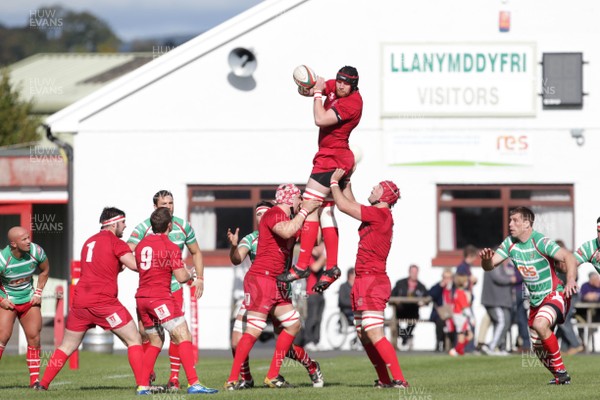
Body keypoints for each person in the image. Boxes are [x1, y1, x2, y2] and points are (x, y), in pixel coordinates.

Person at [37, 207, 147, 393]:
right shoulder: (115, 241)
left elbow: (106, 266)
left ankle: (43, 384)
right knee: (134, 340)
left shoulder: (89, 242)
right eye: (123, 222)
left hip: (80, 302)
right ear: (113, 224)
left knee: (66, 345)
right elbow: (135, 266)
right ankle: (143, 385)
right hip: (104, 304)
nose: (125, 225)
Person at [225, 184, 320, 390]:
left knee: (293, 324)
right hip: (262, 279)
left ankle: (274, 375)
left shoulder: (289, 219)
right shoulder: (275, 214)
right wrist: (305, 210)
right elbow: (287, 233)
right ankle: (235, 379)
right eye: (298, 198)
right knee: (253, 331)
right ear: (290, 199)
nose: (299, 202)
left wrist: (314, 211)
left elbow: (316, 238)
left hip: (276, 282)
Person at [278, 66, 363, 293]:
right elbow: (312, 90)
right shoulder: (337, 86)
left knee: (309, 205)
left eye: (346, 84)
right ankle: (332, 266)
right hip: (329, 156)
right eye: (340, 81)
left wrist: (316, 94)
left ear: (354, 85)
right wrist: (309, 85)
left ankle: (302, 265)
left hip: (333, 158)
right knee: (325, 211)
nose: (341, 86)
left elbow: (320, 118)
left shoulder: (353, 103)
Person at [328, 168, 408, 388]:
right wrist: (347, 181)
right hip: (363, 280)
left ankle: (400, 380)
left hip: (373, 280)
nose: (373, 188)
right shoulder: (377, 213)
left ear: (384, 196)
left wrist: (334, 183)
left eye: (377, 187)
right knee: (364, 335)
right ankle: (384, 380)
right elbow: (352, 203)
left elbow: (344, 206)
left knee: (373, 331)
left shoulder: (380, 214)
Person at [480, 206, 578, 385]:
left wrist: (571, 280)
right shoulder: (510, 243)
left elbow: (568, 257)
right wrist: (486, 259)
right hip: (535, 303)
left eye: (515, 220)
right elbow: (490, 266)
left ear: (527, 223)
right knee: (538, 349)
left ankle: (562, 372)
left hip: (554, 294)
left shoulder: (540, 241)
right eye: (510, 220)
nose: (510, 224)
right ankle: (560, 377)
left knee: (541, 324)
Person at [128, 190, 205, 390]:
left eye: (171, 203)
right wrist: (191, 275)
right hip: (159, 294)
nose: (169, 207)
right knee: (179, 334)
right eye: (164, 204)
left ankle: (165, 380)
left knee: (161, 338)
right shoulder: (157, 237)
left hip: (151, 293)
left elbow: (196, 251)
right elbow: (181, 275)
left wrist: (200, 279)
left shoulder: (179, 227)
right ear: (155, 208)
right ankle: (194, 383)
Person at [0, 226, 50, 388]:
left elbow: (45, 270)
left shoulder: (36, 251)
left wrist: (38, 292)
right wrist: (1, 300)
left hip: (28, 299)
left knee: (34, 338)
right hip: (9, 301)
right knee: (3, 337)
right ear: (13, 244)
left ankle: (34, 381)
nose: (29, 241)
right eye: (24, 239)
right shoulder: (2, 259)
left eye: (28, 237)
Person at [479, 260, 516, 355]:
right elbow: (499, 278)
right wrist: (511, 279)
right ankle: (491, 347)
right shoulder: (493, 265)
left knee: (504, 322)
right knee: (502, 322)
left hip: (501, 302)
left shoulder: (500, 266)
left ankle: (499, 347)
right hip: (494, 301)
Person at [553, 240, 583, 355]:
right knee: (561, 320)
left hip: (571, 295)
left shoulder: (569, 261)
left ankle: (576, 344)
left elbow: (572, 279)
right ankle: (565, 348)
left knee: (564, 321)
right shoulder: (557, 262)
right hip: (562, 296)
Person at [391, 264, 427, 350]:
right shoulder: (400, 283)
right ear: (409, 272)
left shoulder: (421, 286)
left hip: (413, 311)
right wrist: (396, 301)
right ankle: (405, 337)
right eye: (412, 272)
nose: (414, 274)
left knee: (414, 320)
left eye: (416, 272)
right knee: (394, 321)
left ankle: (404, 336)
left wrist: (423, 303)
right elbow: (392, 295)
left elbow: (427, 298)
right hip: (401, 310)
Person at [448, 273, 474, 356]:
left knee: (466, 335)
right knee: (465, 335)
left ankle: (459, 350)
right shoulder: (461, 293)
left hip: (458, 316)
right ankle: (456, 350)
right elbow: (465, 307)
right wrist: (472, 318)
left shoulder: (456, 292)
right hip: (461, 317)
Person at [428, 269, 454, 352]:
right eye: (445, 277)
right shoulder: (438, 287)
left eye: (449, 278)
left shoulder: (454, 288)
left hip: (452, 313)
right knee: (440, 321)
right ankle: (439, 342)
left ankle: (453, 343)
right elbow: (431, 294)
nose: (447, 280)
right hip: (440, 313)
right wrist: (440, 287)